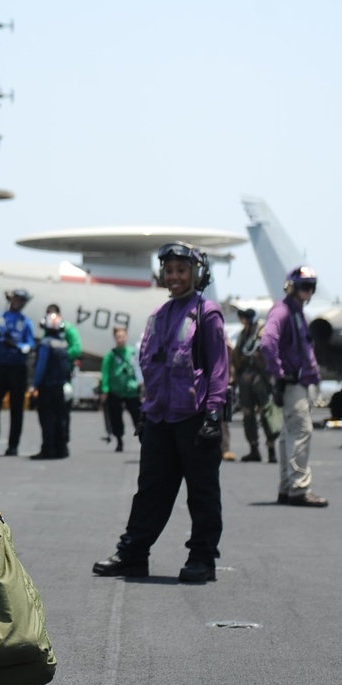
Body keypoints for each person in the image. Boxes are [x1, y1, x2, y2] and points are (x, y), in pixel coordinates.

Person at [92, 243, 230, 584]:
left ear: (197, 274)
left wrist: (214, 413)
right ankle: (133, 554)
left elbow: (217, 369)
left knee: (202, 493)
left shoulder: (207, 313)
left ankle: (202, 558)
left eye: (182, 270)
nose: (174, 277)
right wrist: (145, 412)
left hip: (195, 418)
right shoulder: (158, 316)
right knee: (150, 491)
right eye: (169, 270)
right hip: (158, 418)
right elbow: (150, 367)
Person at [260, 267, 328, 507]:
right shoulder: (282, 311)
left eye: (311, 286)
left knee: (289, 435)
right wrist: (278, 373)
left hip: (298, 383)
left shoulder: (297, 312)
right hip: (292, 383)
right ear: (291, 286)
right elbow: (268, 343)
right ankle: (299, 489)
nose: (307, 291)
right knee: (300, 432)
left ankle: (287, 488)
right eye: (303, 286)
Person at [0, 289, 36, 456]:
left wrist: (17, 346)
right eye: (16, 299)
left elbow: (30, 345)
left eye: (21, 300)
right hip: (1, 366)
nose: (17, 302)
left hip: (18, 368)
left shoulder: (26, 322)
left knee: (16, 407)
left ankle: (13, 445)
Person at [29, 305, 82, 459]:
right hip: (61, 386)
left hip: (47, 387)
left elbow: (40, 368)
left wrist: (34, 385)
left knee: (47, 418)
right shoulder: (64, 345)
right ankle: (62, 448)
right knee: (61, 417)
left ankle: (48, 449)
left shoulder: (45, 344)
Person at [231, 307, 277, 464]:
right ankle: (254, 449)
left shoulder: (262, 332)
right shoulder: (244, 334)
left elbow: (266, 356)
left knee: (266, 414)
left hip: (260, 380)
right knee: (247, 415)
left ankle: (271, 449)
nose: (242, 320)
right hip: (245, 380)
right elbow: (237, 356)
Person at [99, 325, 141, 453]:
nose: (120, 339)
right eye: (118, 337)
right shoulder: (110, 355)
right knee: (116, 417)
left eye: (122, 336)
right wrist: (105, 389)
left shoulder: (133, 352)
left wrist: (140, 383)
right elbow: (105, 373)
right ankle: (119, 440)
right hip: (115, 391)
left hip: (131, 391)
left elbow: (139, 368)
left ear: (126, 337)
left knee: (138, 417)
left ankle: (143, 440)